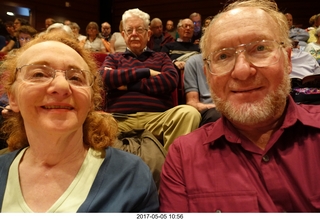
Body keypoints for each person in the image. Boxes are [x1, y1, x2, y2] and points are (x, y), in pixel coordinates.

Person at [159, 0, 320, 212]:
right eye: (223, 56)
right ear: (207, 75)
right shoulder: (183, 157)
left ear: (288, 59)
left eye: (260, 48)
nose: (242, 71)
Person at [0, 31, 159, 212]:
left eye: (75, 77)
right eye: (39, 74)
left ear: (91, 101)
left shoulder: (131, 176)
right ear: (12, 98)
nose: (61, 86)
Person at [99, 8, 201, 150]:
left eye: (139, 30)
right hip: (119, 119)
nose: (134, 34)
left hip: (157, 119)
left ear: (148, 34)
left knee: (189, 113)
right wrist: (145, 72)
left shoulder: (161, 57)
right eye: (130, 30)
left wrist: (127, 84)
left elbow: (170, 80)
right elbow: (104, 77)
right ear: (123, 34)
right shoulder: (114, 57)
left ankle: (170, 166)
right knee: (93, 120)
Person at [184, 53, 221, 126]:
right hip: (208, 109)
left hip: (231, 107)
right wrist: (212, 106)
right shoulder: (194, 61)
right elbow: (192, 102)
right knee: (218, 116)